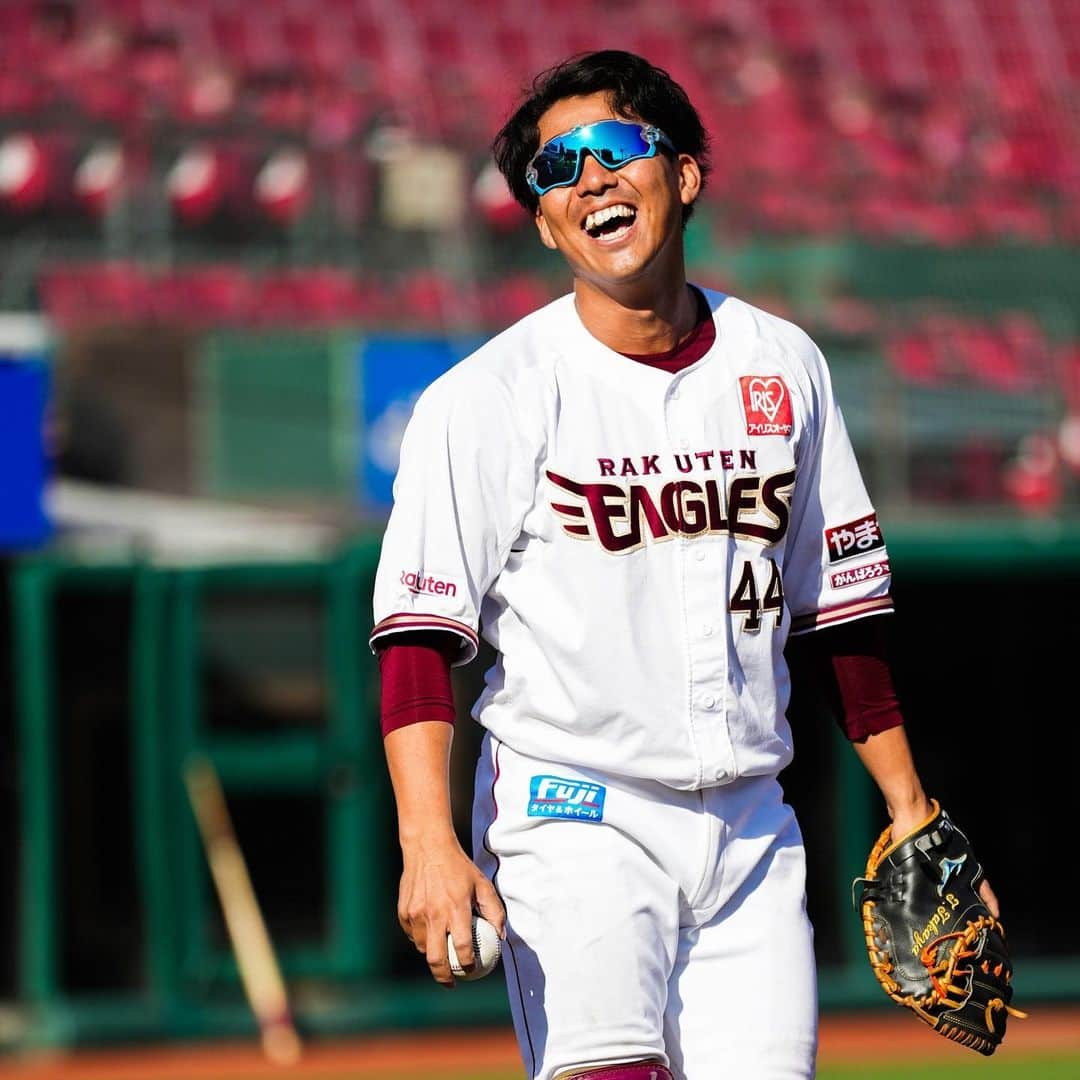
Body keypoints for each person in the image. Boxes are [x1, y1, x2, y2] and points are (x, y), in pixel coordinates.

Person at [370, 50, 1000, 1080]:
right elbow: (418, 640)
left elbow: (838, 611)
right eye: (556, 169)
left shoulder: (783, 363)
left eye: (614, 148)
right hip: (575, 813)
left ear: (686, 172)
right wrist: (429, 842)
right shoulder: (489, 397)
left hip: (752, 827)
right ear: (541, 223)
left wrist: (911, 807)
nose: (589, 180)